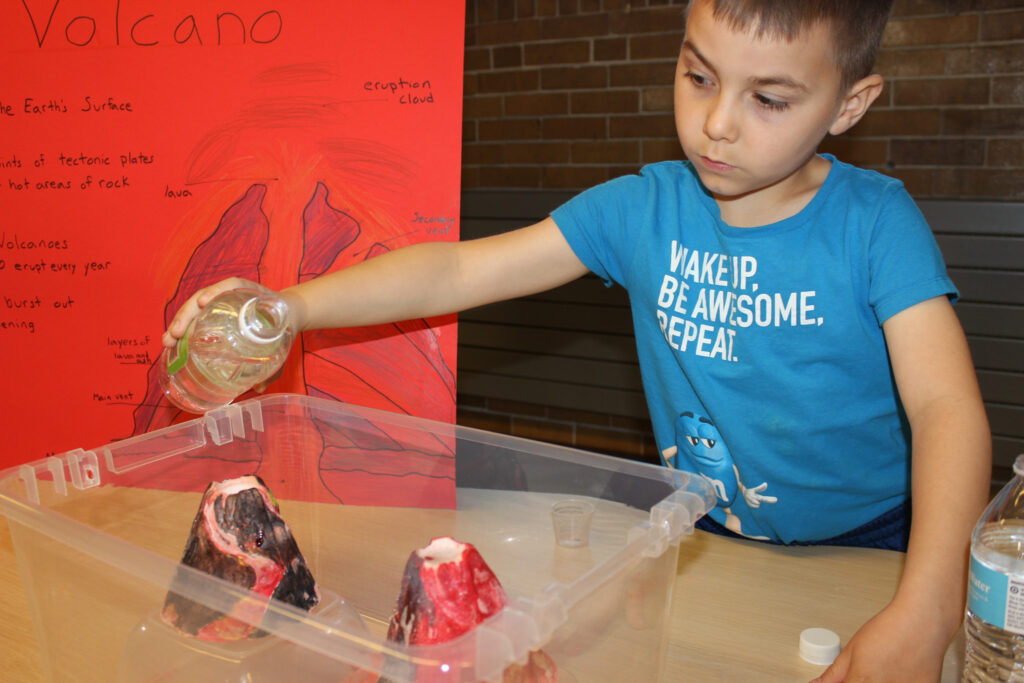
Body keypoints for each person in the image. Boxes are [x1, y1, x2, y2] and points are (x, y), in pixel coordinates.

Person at [163, 0, 991, 680]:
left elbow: (946, 405)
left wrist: (927, 608)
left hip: (874, 543)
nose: (717, 124)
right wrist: (291, 306)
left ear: (850, 103)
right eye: (698, 75)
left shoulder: (876, 223)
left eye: (768, 99)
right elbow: (454, 274)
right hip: (704, 535)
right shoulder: (642, 209)